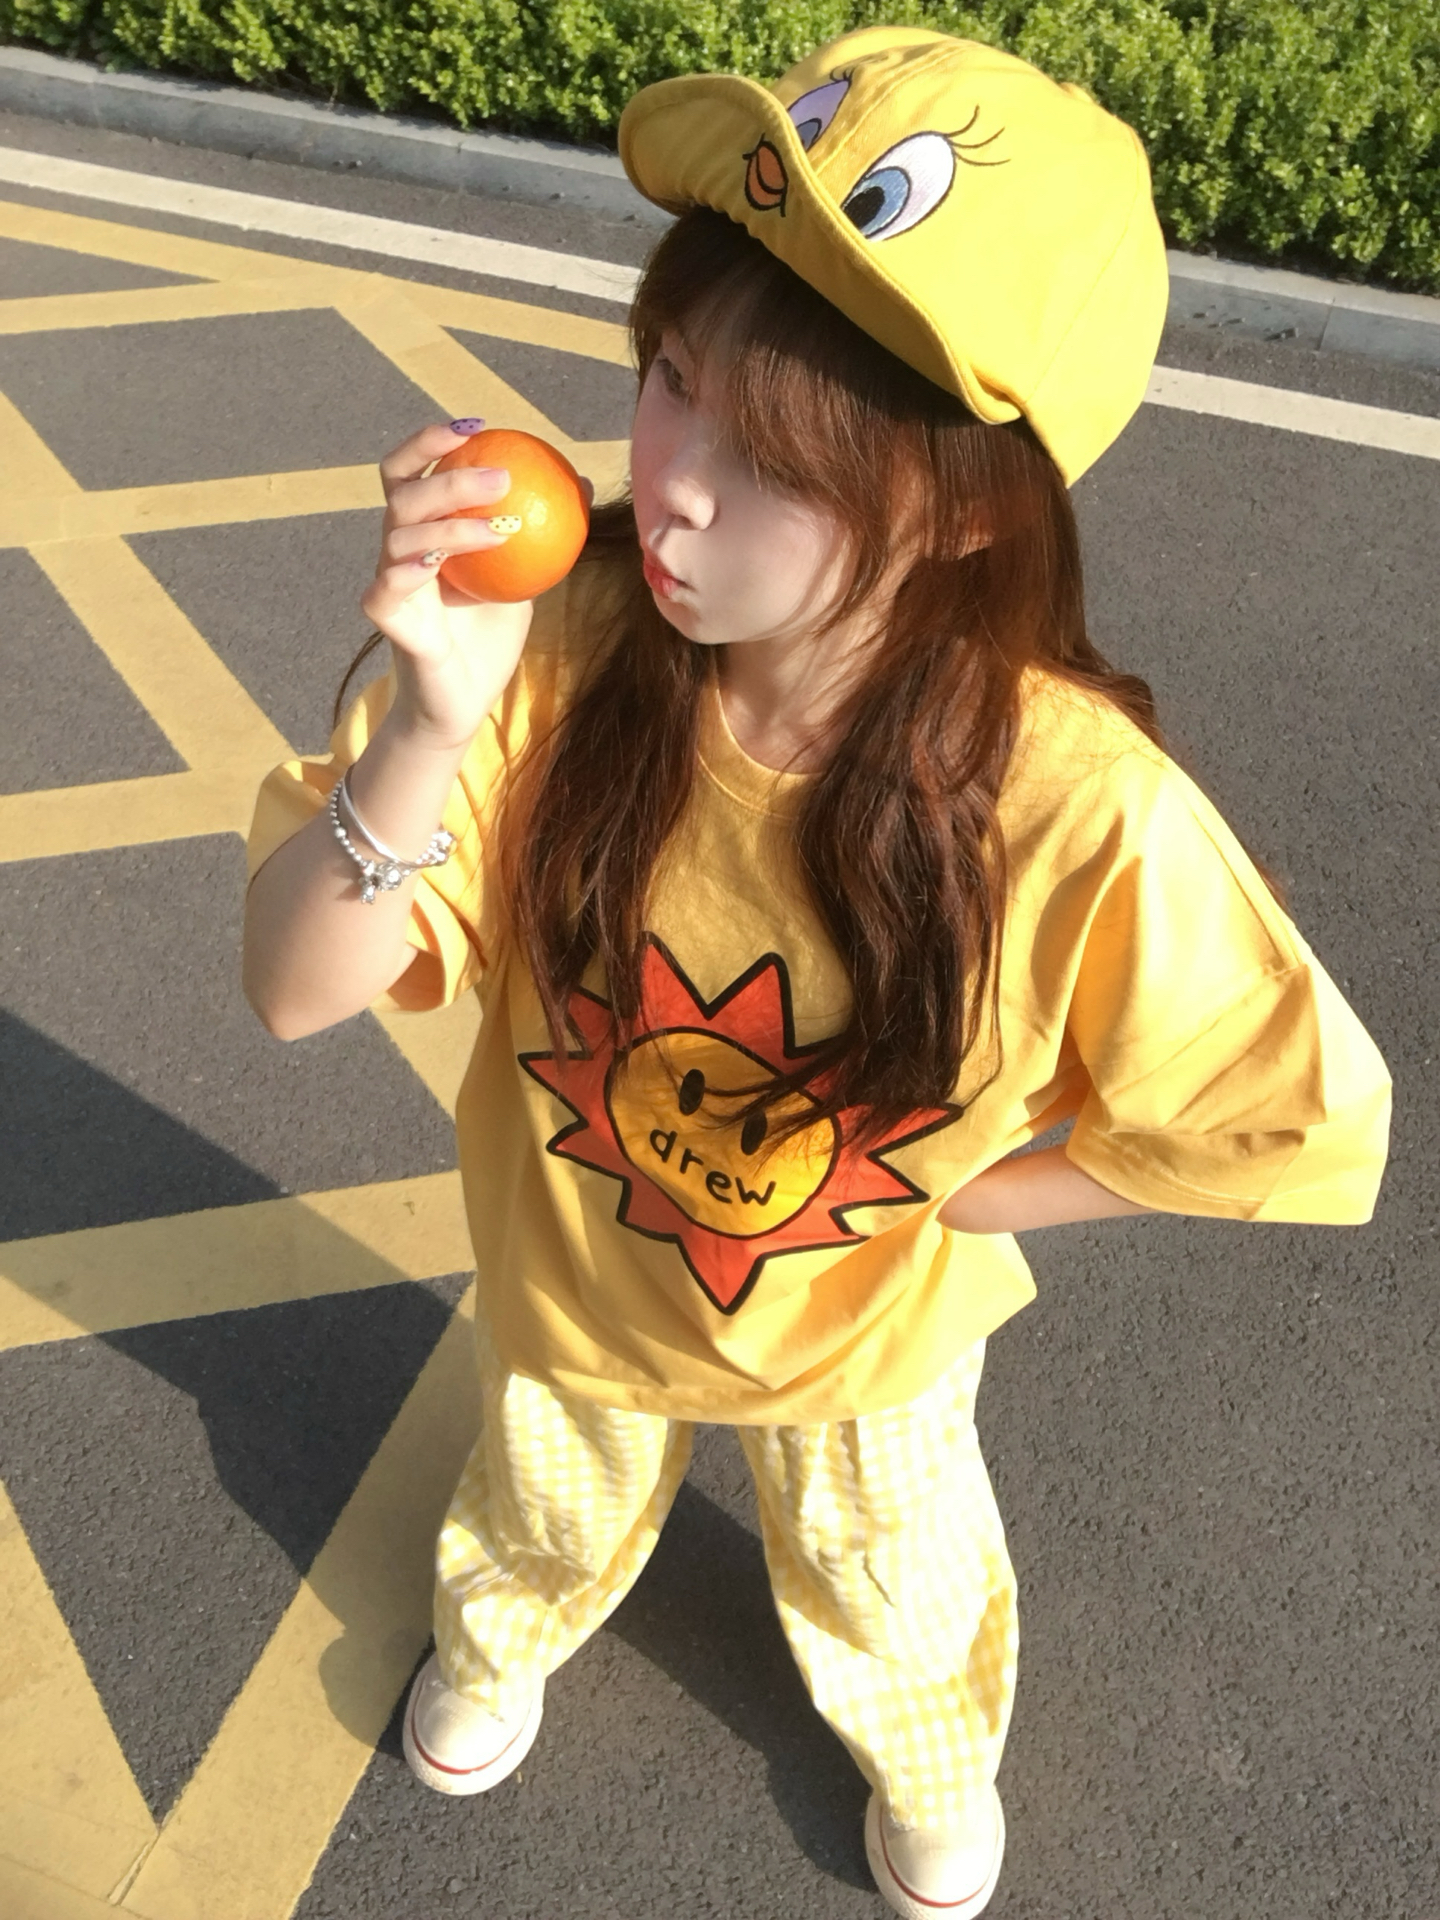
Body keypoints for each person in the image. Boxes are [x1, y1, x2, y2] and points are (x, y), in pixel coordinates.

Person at [241, 27, 1391, 1919]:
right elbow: (295, 991)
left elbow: (1288, 1115)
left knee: (892, 1574)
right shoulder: (553, 647)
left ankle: (929, 1751)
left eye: (774, 456)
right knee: (534, 1507)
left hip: (865, 1345)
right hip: (577, 1285)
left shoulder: (1074, 808)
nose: (675, 488)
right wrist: (429, 731)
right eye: (671, 378)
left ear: (966, 507)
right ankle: (506, 1635)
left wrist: (987, 1195)